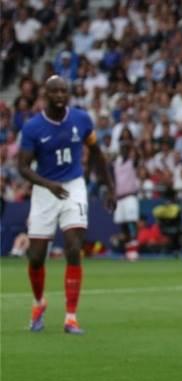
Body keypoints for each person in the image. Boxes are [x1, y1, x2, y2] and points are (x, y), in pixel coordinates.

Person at [19, 75, 115, 335]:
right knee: (36, 257)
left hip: (73, 187)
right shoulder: (32, 128)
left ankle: (70, 317)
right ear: (45, 95)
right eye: (55, 91)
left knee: (74, 247)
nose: (61, 95)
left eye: (64, 91)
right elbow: (22, 167)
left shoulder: (82, 120)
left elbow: (96, 153)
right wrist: (47, 184)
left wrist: (110, 187)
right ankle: (39, 303)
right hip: (45, 190)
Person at [113, 130, 139, 260]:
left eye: (125, 148)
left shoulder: (132, 161)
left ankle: (134, 252)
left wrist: (132, 145)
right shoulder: (116, 162)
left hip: (129, 197)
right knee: (123, 226)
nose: (123, 150)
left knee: (131, 223)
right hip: (119, 198)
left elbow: (138, 155)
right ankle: (127, 251)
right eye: (122, 148)